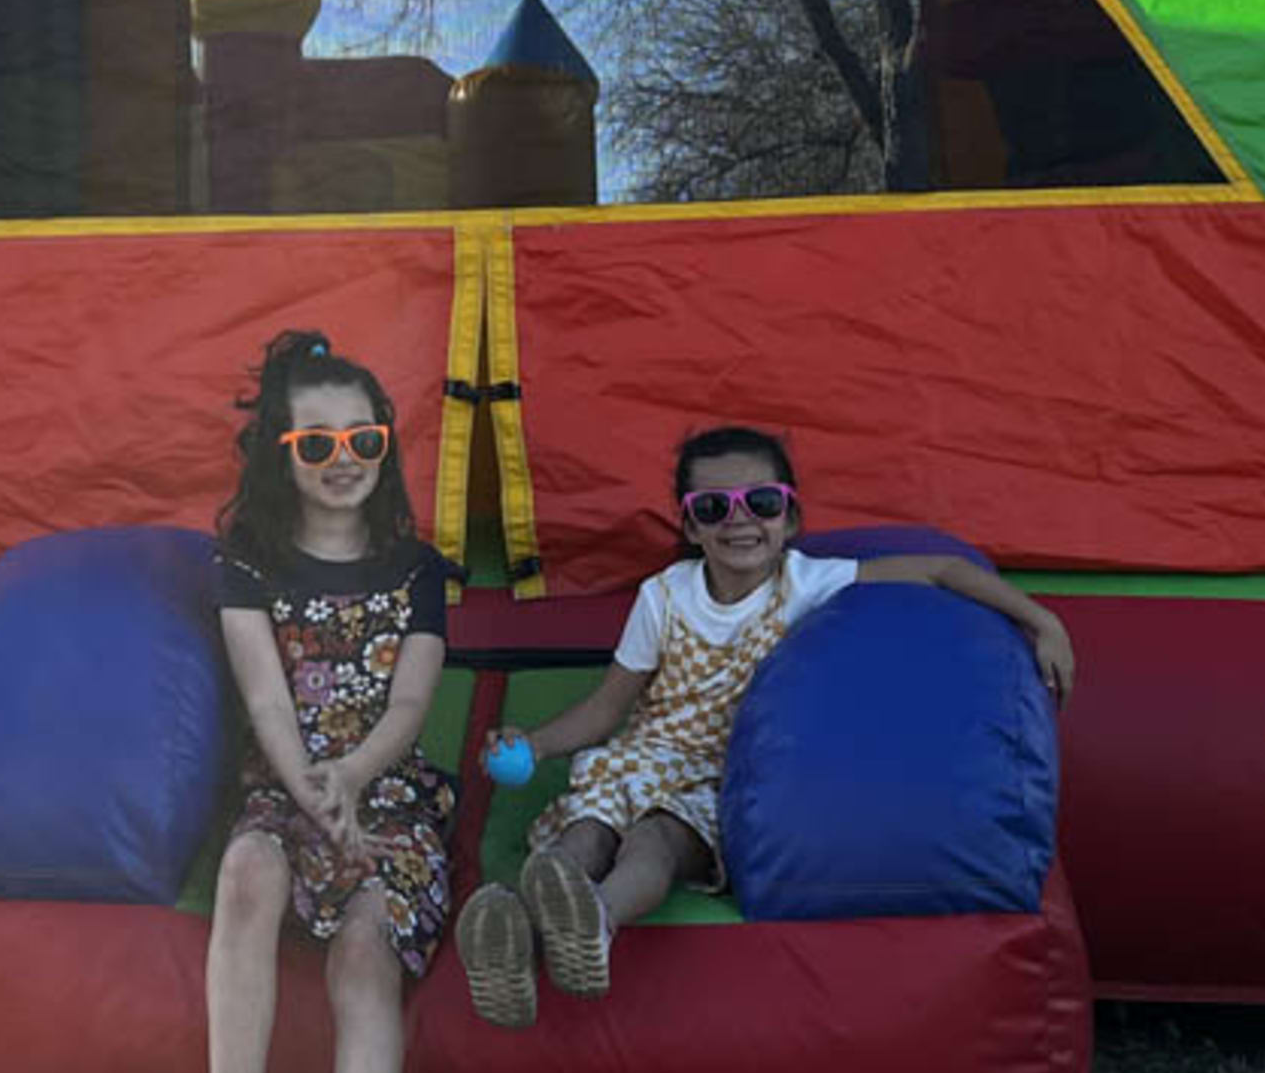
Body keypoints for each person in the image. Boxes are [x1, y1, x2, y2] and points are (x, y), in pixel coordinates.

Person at [453, 424, 1075, 1028]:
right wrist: (533, 742)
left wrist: (1040, 619)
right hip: (640, 757)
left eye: (762, 502)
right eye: (715, 507)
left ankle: (594, 923)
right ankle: (517, 935)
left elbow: (941, 571)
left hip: (722, 775)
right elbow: (607, 708)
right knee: (584, 835)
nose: (741, 520)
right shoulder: (664, 595)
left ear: (791, 518)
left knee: (656, 843)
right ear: (691, 527)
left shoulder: (806, 582)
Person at [207, 330, 457, 1073]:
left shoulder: (416, 568)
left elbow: (411, 706)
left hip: (387, 796)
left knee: (363, 952)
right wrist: (314, 793)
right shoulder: (247, 563)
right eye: (317, 442)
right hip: (284, 786)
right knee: (247, 872)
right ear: (281, 454)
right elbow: (268, 701)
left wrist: (350, 778)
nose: (343, 458)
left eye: (363, 438)